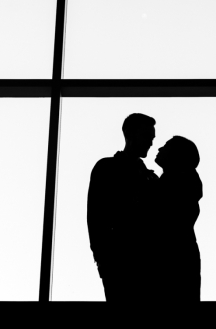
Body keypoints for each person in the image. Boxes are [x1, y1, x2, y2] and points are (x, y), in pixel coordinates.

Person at [87, 113, 159, 301]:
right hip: (118, 263)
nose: (150, 143)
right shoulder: (106, 169)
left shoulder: (151, 179)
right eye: (146, 137)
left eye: (152, 138)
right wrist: (103, 261)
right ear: (129, 133)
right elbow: (95, 218)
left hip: (148, 265)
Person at [154, 136, 203, 301]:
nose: (159, 148)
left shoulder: (175, 185)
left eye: (166, 146)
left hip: (174, 261)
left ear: (177, 155)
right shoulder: (179, 183)